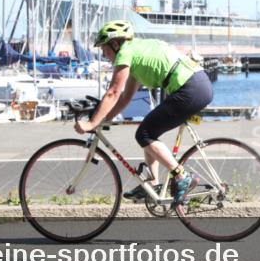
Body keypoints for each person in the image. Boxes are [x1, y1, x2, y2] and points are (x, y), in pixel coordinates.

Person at [74, 20, 214, 206]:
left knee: (144, 134)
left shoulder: (126, 52)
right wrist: (103, 119)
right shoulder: (136, 53)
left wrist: (91, 123)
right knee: (149, 132)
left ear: (115, 44)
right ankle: (153, 184)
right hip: (196, 84)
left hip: (190, 88)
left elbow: (113, 92)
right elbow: (124, 98)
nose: (103, 54)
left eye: (104, 48)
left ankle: (182, 176)